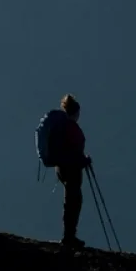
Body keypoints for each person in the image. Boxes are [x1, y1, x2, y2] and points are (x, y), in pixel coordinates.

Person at [56, 94, 91, 250]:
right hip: (72, 170)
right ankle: (69, 237)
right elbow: (74, 153)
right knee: (74, 202)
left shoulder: (62, 128)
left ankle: (68, 236)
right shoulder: (72, 128)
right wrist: (84, 161)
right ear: (75, 112)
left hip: (62, 169)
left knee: (70, 201)